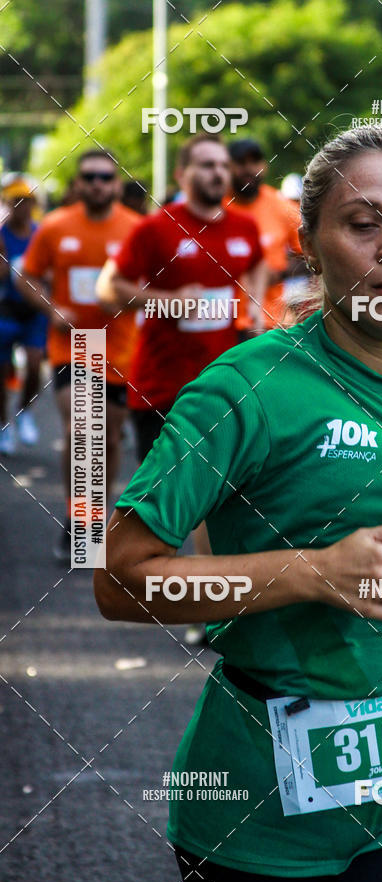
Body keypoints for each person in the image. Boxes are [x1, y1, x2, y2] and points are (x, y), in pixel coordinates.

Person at [95, 125, 382, 882]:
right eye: (365, 223)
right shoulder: (245, 388)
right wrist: (308, 574)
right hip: (258, 800)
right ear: (308, 242)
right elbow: (120, 582)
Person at [96, 133, 267, 466]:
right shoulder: (157, 227)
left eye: (222, 165)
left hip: (221, 386)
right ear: (181, 174)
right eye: (206, 165)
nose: (218, 173)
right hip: (161, 390)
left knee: (212, 496)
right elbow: (109, 289)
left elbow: (258, 262)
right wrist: (167, 299)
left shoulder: (244, 227)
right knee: (160, 502)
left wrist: (256, 307)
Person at [18, 149, 141, 561]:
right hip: (76, 344)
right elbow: (28, 276)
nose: (97, 184)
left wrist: (131, 301)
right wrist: (52, 308)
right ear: (77, 183)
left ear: (117, 183)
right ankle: (79, 522)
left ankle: (95, 515)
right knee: (82, 429)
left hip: (123, 347)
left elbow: (157, 283)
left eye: (105, 177)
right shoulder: (55, 227)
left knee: (105, 437)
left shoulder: (137, 229)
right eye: (89, 176)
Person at [227, 138, 307, 329]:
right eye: (240, 163)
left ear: (264, 166)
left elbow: (311, 256)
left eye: (254, 162)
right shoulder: (214, 208)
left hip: (267, 324)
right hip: (219, 324)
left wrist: (279, 272)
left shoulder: (282, 207)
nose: (249, 169)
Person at [0, 175, 46, 453]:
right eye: (15, 201)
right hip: (5, 311)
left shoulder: (41, 234)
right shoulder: (1, 235)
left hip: (34, 311)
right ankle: (4, 425)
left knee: (34, 363)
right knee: (2, 374)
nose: (21, 207)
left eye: (26, 201)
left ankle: (25, 411)